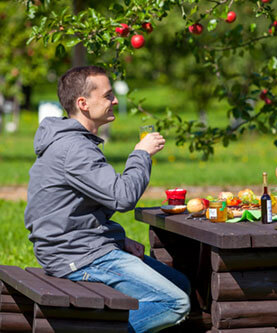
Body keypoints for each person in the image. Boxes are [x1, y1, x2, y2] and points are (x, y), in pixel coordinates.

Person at [24, 66, 190, 333]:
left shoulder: (73, 142)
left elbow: (70, 208)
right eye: (108, 95)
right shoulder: (75, 149)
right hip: (77, 256)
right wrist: (141, 154)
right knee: (174, 302)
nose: (114, 101)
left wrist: (117, 239)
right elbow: (122, 198)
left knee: (181, 283)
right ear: (83, 103)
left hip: (79, 246)